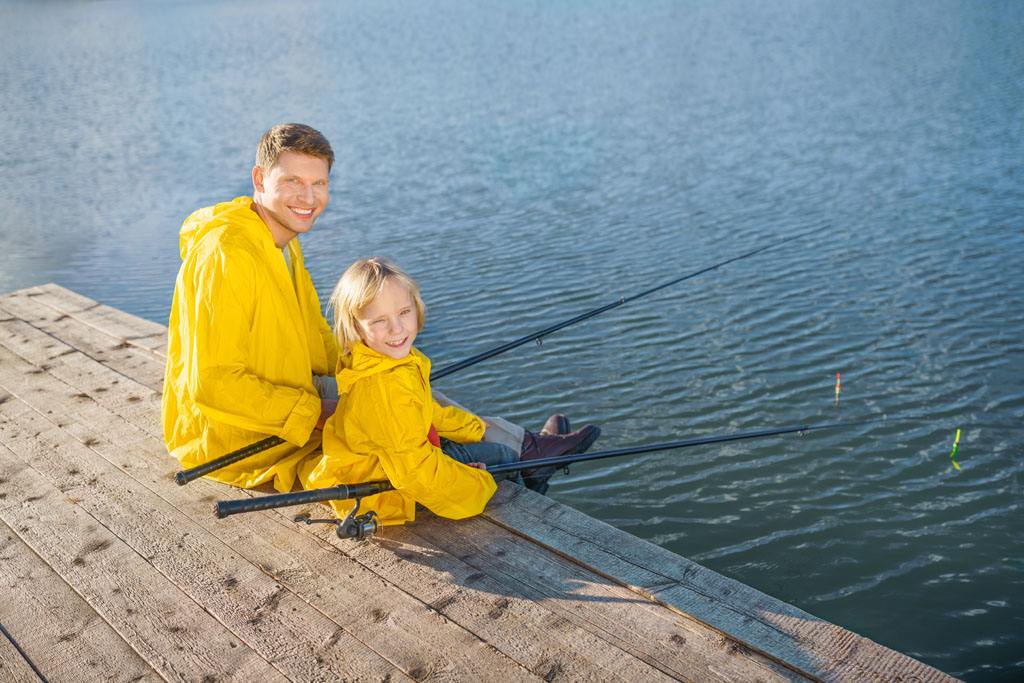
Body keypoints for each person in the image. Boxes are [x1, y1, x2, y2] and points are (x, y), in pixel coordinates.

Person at [163, 123, 596, 494]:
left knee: (397, 376)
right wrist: (321, 413)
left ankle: (524, 447)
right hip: (239, 439)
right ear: (259, 179)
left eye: (319, 183)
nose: (308, 197)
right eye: (293, 181)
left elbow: (313, 334)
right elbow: (214, 385)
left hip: (286, 391)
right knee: (403, 413)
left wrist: (364, 372)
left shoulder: (278, 241)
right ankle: (522, 457)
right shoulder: (227, 254)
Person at [298, 257, 600, 525]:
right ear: (355, 326)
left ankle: (533, 471)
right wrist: (476, 483)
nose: (397, 329)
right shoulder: (386, 387)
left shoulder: (382, 361)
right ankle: (531, 513)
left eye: (404, 312)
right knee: (504, 456)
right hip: (383, 491)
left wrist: (474, 428)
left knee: (485, 446)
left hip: (387, 462)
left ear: (416, 308)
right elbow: (417, 474)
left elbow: (424, 411)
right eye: (379, 320)